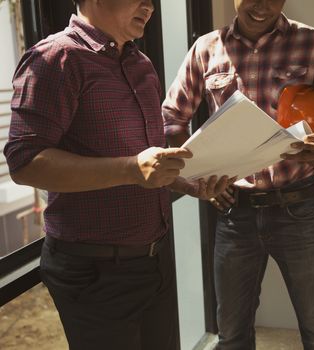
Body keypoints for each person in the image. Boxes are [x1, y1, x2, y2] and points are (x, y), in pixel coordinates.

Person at [3, 0, 229, 349]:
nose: (149, 7)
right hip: (94, 271)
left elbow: (148, 164)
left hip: (154, 260)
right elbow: (24, 161)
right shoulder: (55, 58)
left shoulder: (141, 64)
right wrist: (131, 170)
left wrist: (190, 183)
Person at [162, 0, 314, 348]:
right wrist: (197, 177)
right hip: (235, 212)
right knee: (231, 334)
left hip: (298, 208)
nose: (262, 5)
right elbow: (172, 117)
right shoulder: (206, 48)